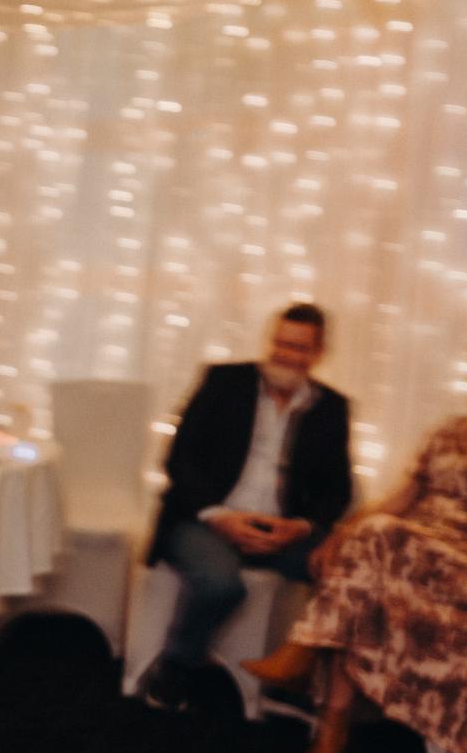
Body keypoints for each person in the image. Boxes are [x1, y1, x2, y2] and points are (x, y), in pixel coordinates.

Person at [243, 333, 467, 753]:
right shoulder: (450, 431)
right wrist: (341, 534)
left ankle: (307, 666)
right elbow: (399, 500)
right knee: (362, 567)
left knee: (376, 546)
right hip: (414, 554)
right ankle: (331, 726)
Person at [136, 304, 353, 712]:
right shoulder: (224, 382)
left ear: (319, 353)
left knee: (349, 574)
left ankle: (306, 678)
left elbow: (337, 492)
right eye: (281, 344)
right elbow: (178, 460)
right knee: (221, 584)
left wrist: (302, 527)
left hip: (280, 530)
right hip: (206, 519)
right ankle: (176, 666)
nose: (287, 355)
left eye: (300, 348)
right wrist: (222, 518)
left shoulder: (331, 408)